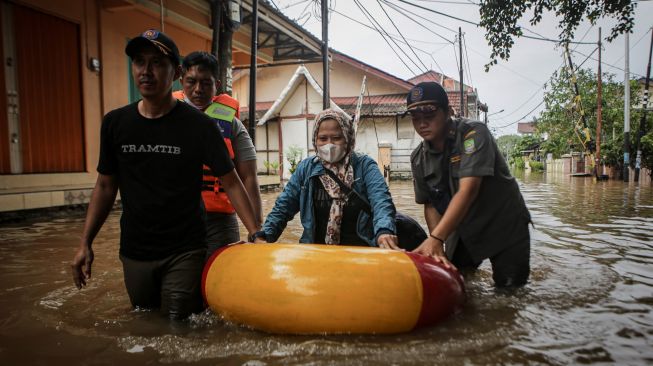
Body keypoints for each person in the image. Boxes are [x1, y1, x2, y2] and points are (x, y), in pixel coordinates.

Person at [70, 29, 260, 319]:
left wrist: (255, 233)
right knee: (143, 319)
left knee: (177, 324)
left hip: (186, 247)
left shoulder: (201, 126)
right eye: (139, 62)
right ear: (184, 81)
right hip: (135, 248)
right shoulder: (115, 124)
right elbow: (106, 186)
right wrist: (85, 242)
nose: (146, 71)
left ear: (174, 72)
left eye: (157, 63)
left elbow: (233, 181)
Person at [408, 81, 531, 287]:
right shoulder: (418, 158)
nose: (422, 124)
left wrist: (436, 238)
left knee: (510, 293)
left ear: (448, 112)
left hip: (502, 224)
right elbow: (429, 204)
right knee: (457, 283)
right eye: (415, 118)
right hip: (461, 228)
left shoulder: (473, 134)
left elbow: (468, 190)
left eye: (429, 116)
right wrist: (440, 244)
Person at [252, 108, 400, 249]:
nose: (329, 144)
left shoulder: (365, 166)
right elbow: (284, 206)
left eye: (336, 138)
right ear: (315, 140)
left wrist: (384, 232)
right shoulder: (306, 169)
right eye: (323, 138)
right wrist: (265, 235)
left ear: (348, 139)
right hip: (316, 252)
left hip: (360, 251)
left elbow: (381, 201)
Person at [172, 51, 262, 258]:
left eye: (205, 83)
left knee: (223, 278)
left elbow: (249, 176)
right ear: (181, 81)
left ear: (217, 85)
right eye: (191, 82)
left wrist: (257, 229)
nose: (198, 90)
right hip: (176, 218)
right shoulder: (166, 118)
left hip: (220, 221)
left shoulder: (231, 124)